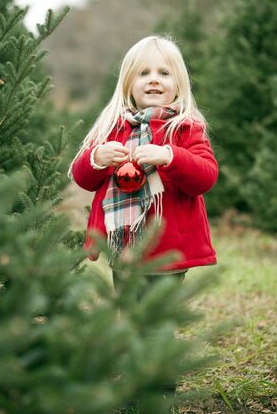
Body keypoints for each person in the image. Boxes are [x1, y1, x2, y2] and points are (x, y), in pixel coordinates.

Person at [68, 34, 218, 412]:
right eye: (144, 73)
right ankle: (135, 387)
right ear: (128, 85)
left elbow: (206, 177)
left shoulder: (186, 129)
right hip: (126, 250)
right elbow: (82, 177)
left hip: (169, 249)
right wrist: (98, 157)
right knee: (132, 318)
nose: (154, 79)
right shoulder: (112, 127)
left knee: (156, 322)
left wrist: (171, 155)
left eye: (164, 72)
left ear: (178, 83)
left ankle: (157, 396)